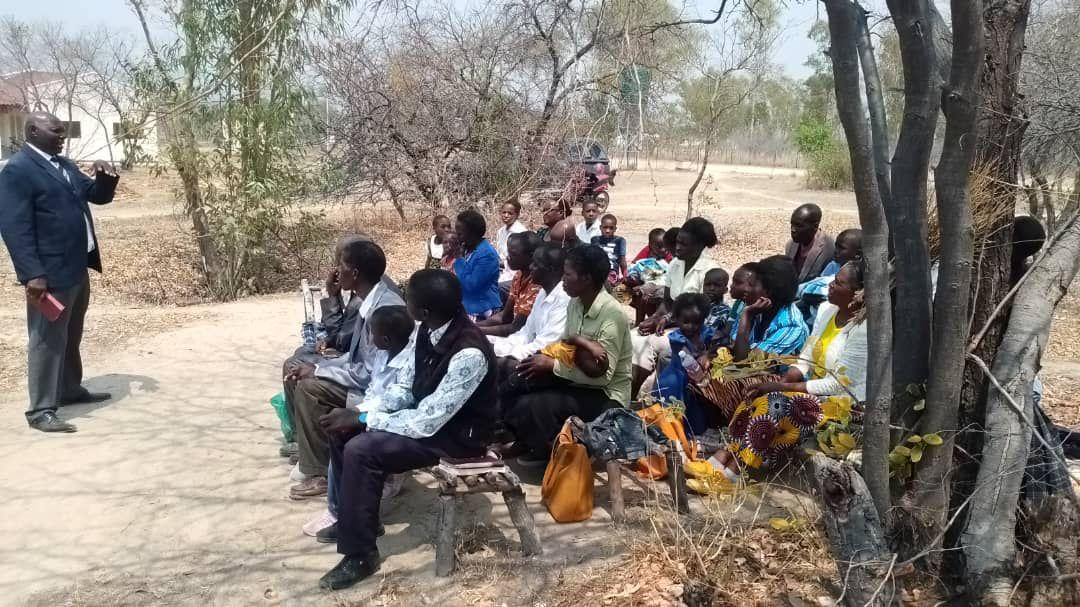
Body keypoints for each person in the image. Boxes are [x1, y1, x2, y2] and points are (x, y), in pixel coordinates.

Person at [316, 269, 496, 590]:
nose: (403, 298)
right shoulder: (427, 329)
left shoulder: (469, 351)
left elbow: (427, 422)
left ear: (423, 310)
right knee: (344, 432)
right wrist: (361, 411)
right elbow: (406, 388)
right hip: (431, 423)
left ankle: (360, 554)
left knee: (362, 447)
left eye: (408, 296)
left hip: (458, 438)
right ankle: (355, 522)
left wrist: (363, 421)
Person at [0, 112, 120, 433]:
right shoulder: (17, 171)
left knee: (71, 334)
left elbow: (97, 196)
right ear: (33, 131)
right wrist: (32, 274)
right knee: (46, 340)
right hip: (48, 274)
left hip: (76, 267)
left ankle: (68, 389)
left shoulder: (63, 165)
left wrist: (105, 176)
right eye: (56, 130)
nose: (62, 135)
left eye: (63, 130)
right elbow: (15, 228)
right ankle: (40, 410)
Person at [283, 240, 405, 498]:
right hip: (365, 378)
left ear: (355, 273)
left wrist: (317, 371)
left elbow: (366, 373)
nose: (337, 270)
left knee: (309, 387)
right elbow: (354, 356)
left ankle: (319, 471)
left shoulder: (383, 308)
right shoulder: (368, 299)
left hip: (377, 394)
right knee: (297, 367)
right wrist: (316, 365)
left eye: (342, 265)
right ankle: (308, 448)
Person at [502, 244, 633, 461]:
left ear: (587, 279)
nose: (562, 279)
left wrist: (552, 366)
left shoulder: (612, 316)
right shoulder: (575, 303)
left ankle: (553, 454)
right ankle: (527, 441)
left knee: (538, 403)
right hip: (577, 380)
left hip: (607, 394)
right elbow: (568, 348)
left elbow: (603, 378)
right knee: (519, 378)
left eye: (568, 274)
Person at [303, 305, 417, 539]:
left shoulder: (409, 363)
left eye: (372, 334)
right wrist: (354, 414)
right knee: (339, 431)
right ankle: (347, 512)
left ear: (384, 338)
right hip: (373, 413)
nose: (370, 338)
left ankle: (348, 514)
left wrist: (356, 414)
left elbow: (396, 400)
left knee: (350, 438)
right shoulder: (383, 354)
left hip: (397, 422)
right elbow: (374, 391)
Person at [750, 259, 868, 401]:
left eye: (838, 283)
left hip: (841, 402)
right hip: (812, 393)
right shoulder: (826, 310)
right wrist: (780, 385)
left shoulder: (862, 331)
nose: (830, 285)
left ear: (857, 294)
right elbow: (806, 359)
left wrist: (783, 388)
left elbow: (838, 385)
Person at [631, 217, 721, 398]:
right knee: (633, 336)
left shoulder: (709, 270)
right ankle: (630, 395)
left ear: (699, 246)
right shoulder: (675, 265)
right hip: (672, 323)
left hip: (693, 330)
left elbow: (700, 312)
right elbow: (667, 301)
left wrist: (666, 319)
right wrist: (654, 318)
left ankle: (661, 398)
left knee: (657, 344)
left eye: (684, 244)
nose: (677, 247)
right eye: (678, 242)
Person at [489, 243, 570, 362]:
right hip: (531, 353)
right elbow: (526, 334)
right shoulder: (543, 292)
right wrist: (494, 345)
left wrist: (501, 352)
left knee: (497, 364)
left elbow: (544, 345)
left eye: (536, 265)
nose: (531, 267)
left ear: (551, 270)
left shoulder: (564, 299)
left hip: (547, 362)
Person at [653, 293, 715, 434]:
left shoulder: (706, 332)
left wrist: (709, 352)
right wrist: (702, 353)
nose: (691, 326)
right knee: (673, 409)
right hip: (678, 377)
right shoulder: (677, 337)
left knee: (695, 416)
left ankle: (691, 434)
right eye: (686, 322)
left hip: (697, 379)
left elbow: (719, 340)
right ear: (677, 320)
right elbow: (687, 357)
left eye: (697, 322)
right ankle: (673, 434)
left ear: (703, 320)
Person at [732, 255, 809, 362]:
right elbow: (733, 345)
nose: (746, 289)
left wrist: (747, 316)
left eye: (751, 285)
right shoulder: (755, 307)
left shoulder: (791, 326)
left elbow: (745, 363)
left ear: (769, 292)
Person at [795, 228, 863, 328]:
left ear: (857, 254)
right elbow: (817, 285)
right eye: (836, 246)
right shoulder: (833, 266)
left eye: (841, 248)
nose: (836, 251)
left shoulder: (858, 277)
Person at [478, 231, 542, 337]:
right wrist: (474, 326)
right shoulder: (519, 276)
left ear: (530, 256)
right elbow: (505, 317)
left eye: (514, 254)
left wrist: (477, 330)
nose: (508, 257)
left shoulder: (536, 285)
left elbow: (516, 328)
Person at [453, 209, 502, 321]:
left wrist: (458, 259)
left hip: (483, 309)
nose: (456, 235)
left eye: (460, 233)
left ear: (472, 233)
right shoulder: (465, 247)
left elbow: (471, 285)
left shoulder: (487, 254)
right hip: (467, 305)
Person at [785, 203, 835, 282]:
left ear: (815, 227)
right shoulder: (791, 245)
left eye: (799, 226)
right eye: (792, 224)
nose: (793, 230)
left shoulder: (829, 248)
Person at [495, 199, 529, 285]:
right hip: (500, 269)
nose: (506, 215)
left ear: (517, 215)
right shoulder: (501, 231)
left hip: (513, 272)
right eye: (504, 212)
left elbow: (521, 259)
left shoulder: (520, 232)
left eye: (510, 213)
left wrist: (502, 263)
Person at [591, 213, 627, 286]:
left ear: (615, 229)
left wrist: (625, 276)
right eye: (605, 227)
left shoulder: (620, 240)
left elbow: (622, 260)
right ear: (600, 227)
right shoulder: (595, 240)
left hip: (611, 273)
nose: (608, 230)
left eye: (611, 228)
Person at [702, 268, 732, 349]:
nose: (711, 288)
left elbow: (717, 335)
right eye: (708, 284)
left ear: (725, 290)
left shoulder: (725, 311)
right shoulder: (695, 303)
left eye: (717, 285)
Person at [726, 264, 756, 341]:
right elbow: (728, 330)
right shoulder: (739, 303)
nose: (732, 286)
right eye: (733, 281)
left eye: (738, 282)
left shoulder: (754, 308)